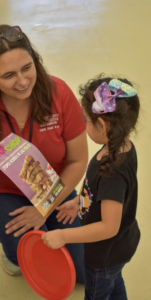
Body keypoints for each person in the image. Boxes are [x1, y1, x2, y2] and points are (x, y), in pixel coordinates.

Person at [0, 24, 88, 282]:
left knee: (81, 272)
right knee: (41, 266)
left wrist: (44, 209)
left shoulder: (58, 92)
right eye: (8, 75)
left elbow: (77, 161)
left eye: (27, 68)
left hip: (51, 184)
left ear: (35, 61)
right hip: (1, 191)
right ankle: (11, 252)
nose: (22, 81)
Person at [42, 74, 141, 299]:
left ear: (103, 125)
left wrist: (64, 237)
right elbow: (105, 194)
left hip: (104, 256)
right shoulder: (121, 146)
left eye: (85, 119)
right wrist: (80, 202)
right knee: (115, 284)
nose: (82, 124)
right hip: (120, 246)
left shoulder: (112, 171)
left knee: (99, 291)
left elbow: (108, 227)